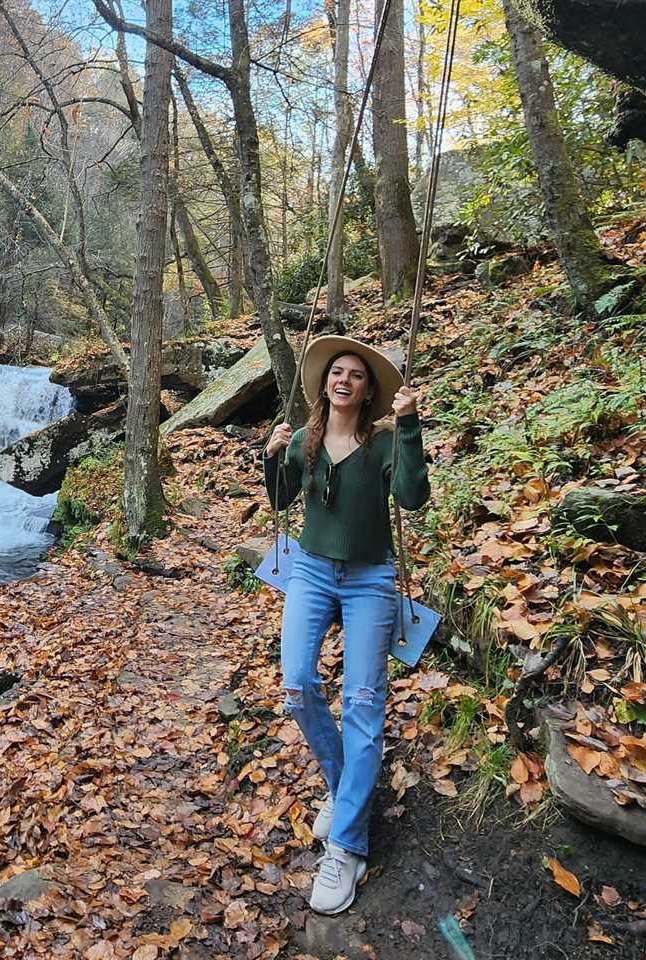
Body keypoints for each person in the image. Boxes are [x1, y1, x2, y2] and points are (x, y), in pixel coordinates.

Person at [262, 335, 430, 914]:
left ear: (369, 390)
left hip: (370, 579)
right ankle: (345, 788)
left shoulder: (383, 442)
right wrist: (272, 455)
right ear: (324, 383)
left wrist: (409, 428)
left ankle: (347, 843)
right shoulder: (305, 440)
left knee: (361, 699)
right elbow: (282, 499)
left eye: (357, 375)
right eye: (337, 371)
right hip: (309, 570)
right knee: (297, 686)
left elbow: (413, 498)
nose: (345, 380)